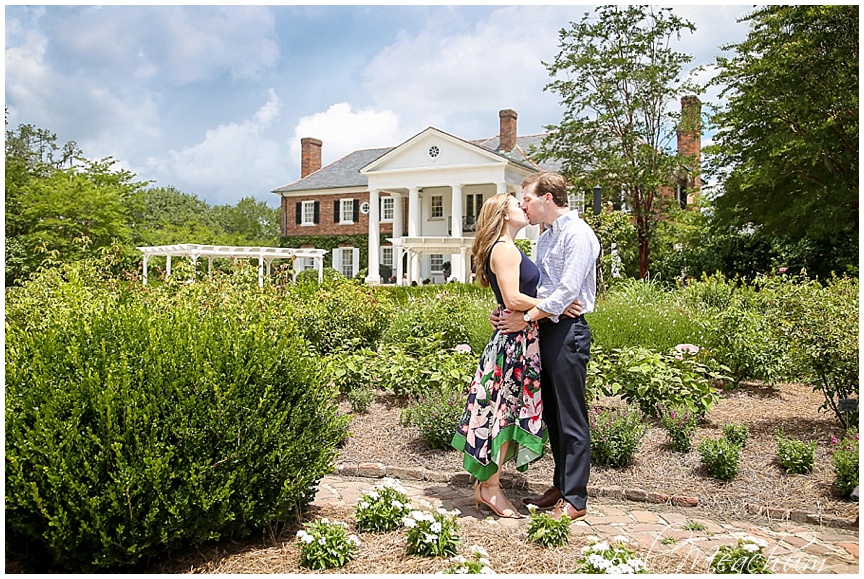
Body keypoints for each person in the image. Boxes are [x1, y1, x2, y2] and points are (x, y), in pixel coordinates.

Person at [451, 193, 583, 519]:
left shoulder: (506, 248)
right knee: (503, 415)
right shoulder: (506, 249)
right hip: (514, 344)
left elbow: (507, 299)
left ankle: (488, 485)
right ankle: (491, 488)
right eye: (516, 204)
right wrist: (557, 303)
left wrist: (510, 310)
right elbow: (512, 295)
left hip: (516, 337)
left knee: (504, 415)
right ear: (503, 215)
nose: (523, 207)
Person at [498, 171, 600, 521]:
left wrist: (528, 317)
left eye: (527, 197)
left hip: (568, 331)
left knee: (571, 416)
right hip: (547, 326)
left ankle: (575, 498)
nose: (523, 204)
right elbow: (546, 292)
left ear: (548, 198)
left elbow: (569, 290)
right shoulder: (544, 238)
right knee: (553, 415)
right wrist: (530, 309)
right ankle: (560, 485)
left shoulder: (578, 234)